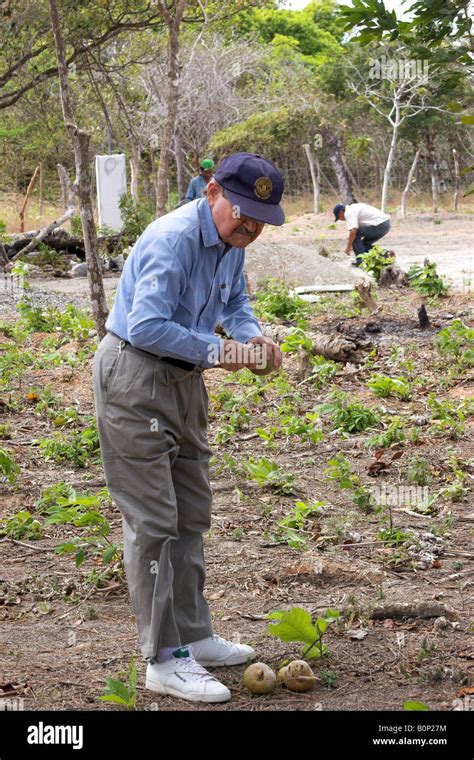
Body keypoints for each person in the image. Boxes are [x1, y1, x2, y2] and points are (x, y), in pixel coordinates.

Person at [92, 152, 284, 704]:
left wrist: (253, 338)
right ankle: (163, 658)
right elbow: (148, 324)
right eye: (242, 212)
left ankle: (194, 637)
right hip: (135, 377)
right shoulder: (172, 238)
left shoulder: (230, 246)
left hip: (185, 383)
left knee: (191, 511)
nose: (249, 226)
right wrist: (223, 351)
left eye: (260, 220)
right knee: (154, 521)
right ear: (212, 192)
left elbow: (237, 300)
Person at [334, 201, 390, 266]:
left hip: (380, 224)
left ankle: (361, 262)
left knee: (354, 236)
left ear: (341, 212)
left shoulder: (348, 213)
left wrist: (348, 247)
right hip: (385, 224)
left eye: (339, 217)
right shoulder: (353, 207)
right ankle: (385, 255)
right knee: (364, 245)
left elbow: (353, 232)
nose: (340, 219)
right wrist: (354, 243)